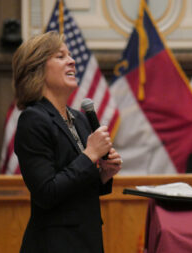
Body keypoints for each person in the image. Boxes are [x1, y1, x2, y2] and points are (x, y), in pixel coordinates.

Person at [12, 31, 122, 253]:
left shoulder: (79, 117)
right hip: (53, 244)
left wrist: (103, 175)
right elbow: (47, 192)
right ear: (37, 69)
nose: (72, 60)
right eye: (60, 56)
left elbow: (76, 187)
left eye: (70, 55)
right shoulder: (33, 119)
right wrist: (90, 155)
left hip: (86, 240)